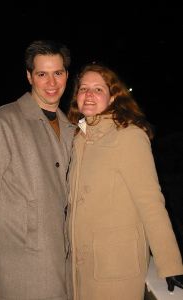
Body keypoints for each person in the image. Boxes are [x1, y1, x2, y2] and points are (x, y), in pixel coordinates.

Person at [0, 40, 76, 300]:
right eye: (42, 74)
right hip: (22, 259)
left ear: (67, 74)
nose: (52, 83)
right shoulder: (3, 123)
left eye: (58, 73)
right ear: (29, 77)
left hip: (64, 258)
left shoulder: (69, 129)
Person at [67, 62, 183, 300]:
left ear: (112, 98)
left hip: (114, 266)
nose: (89, 94)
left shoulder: (128, 136)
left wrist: (171, 266)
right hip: (79, 264)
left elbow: (150, 203)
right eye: (83, 88)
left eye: (98, 89)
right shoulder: (78, 138)